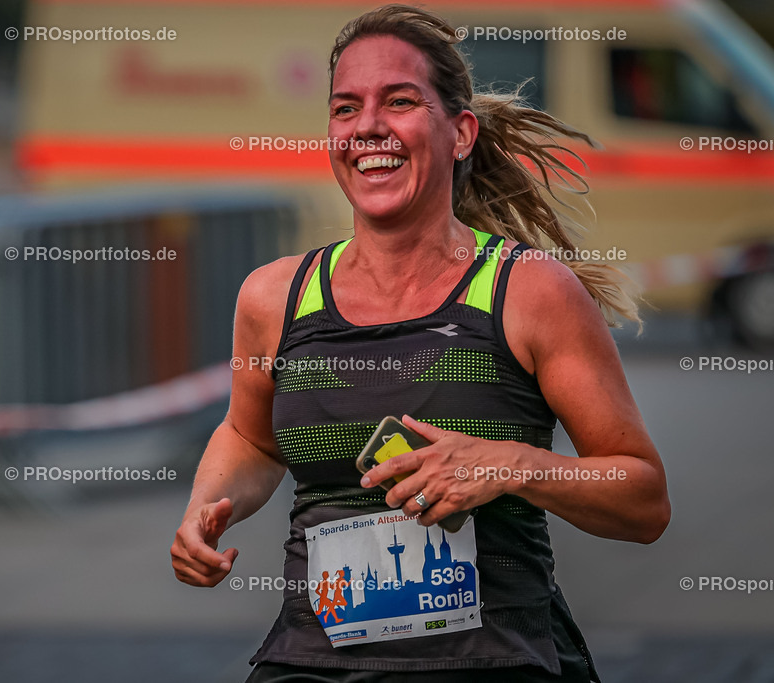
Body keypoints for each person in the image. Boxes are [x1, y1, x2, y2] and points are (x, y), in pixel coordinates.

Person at [171, 5, 670, 681]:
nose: (368, 125)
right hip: (313, 662)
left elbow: (643, 499)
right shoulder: (274, 297)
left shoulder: (528, 291)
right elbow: (251, 437)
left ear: (460, 132)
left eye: (399, 101)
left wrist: (511, 464)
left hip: (493, 662)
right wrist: (206, 508)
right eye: (346, 108)